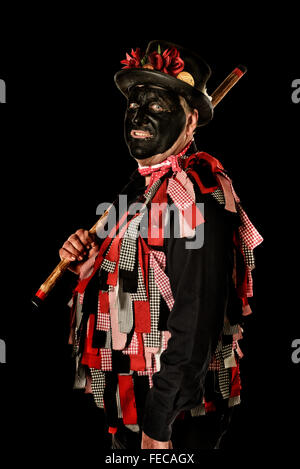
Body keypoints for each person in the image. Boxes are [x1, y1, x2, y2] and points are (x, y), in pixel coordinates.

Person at [59, 41, 263, 449]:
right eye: (133, 105)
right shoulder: (143, 187)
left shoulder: (197, 193)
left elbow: (198, 316)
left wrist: (159, 424)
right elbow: (129, 279)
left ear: (191, 122)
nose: (138, 116)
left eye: (158, 106)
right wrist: (84, 260)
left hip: (175, 416)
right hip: (133, 397)